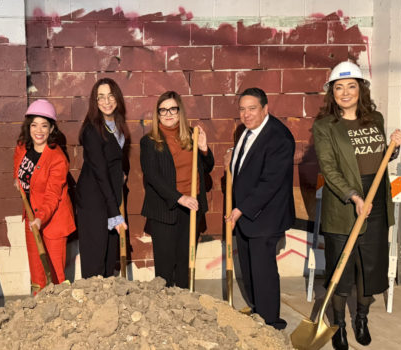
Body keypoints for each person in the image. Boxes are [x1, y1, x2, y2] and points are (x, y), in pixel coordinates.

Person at [312, 61, 401, 350]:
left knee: (371, 267)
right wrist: (353, 196)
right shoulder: (324, 126)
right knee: (342, 269)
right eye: (339, 87)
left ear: (360, 89)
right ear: (332, 93)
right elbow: (329, 168)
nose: (345, 92)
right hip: (344, 203)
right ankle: (338, 323)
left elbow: (380, 158)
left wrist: (395, 146)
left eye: (351, 86)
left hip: (376, 198)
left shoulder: (374, 119)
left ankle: (361, 318)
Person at [225, 87, 295, 330]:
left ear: (265, 108)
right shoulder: (248, 131)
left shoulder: (279, 137)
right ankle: (257, 311)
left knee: (263, 271)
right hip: (246, 215)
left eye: (252, 109)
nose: (246, 114)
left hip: (266, 216)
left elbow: (270, 182)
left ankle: (270, 321)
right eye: (242, 110)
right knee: (249, 267)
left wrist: (241, 208)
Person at [140, 90, 214, 288]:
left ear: (180, 111)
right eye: (163, 110)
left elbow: (207, 167)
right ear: (157, 114)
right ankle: (165, 310)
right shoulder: (149, 142)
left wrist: (204, 148)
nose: (168, 113)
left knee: (184, 262)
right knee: (165, 266)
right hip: (165, 209)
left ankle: (182, 306)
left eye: (172, 108)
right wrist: (179, 198)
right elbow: (153, 177)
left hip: (191, 208)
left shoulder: (191, 135)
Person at [13, 99, 76, 293]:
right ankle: (38, 311)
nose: (38, 130)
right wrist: (18, 181)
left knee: (55, 273)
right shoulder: (22, 147)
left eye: (44, 125)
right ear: (28, 126)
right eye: (34, 125)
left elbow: (52, 195)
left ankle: (58, 314)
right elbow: (19, 169)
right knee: (37, 271)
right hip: (32, 218)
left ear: (51, 129)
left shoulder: (57, 159)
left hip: (53, 220)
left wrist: (41, 218)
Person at [76, 78, 130, 278]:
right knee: (96, 257)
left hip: (109, 196)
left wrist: (122, 174)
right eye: (101, 97)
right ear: (94, 101)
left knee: (109, 256)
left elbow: (116, 160)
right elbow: (100, 172)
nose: (106, 101)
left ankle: (107, 304)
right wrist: (114, 212)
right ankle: (93, 304)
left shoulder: (117, 124)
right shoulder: (92, 129)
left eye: (110, 95)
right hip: (93, 200)